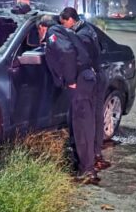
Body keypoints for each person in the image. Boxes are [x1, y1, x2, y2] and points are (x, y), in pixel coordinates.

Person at [38, 13, 100, 185]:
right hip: (85, 78)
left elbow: (66, 52)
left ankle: (87, 170)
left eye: (38, 31)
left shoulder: (52, 33)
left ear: (42, 27)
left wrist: (71, 80)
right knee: (81, 124)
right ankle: (84, 165)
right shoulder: (65, 31)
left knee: (82, 126)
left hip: (79, 81)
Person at [60, 7, 111, 171]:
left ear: (70, 20)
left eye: (64, 23)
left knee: (90, 119)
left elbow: (78, 57)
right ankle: (95, 153)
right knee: (94, 116)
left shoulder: (82, 36)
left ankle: (92, 155)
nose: (63, 27)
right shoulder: (86, 28)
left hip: (93, 79)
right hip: (98, 75)